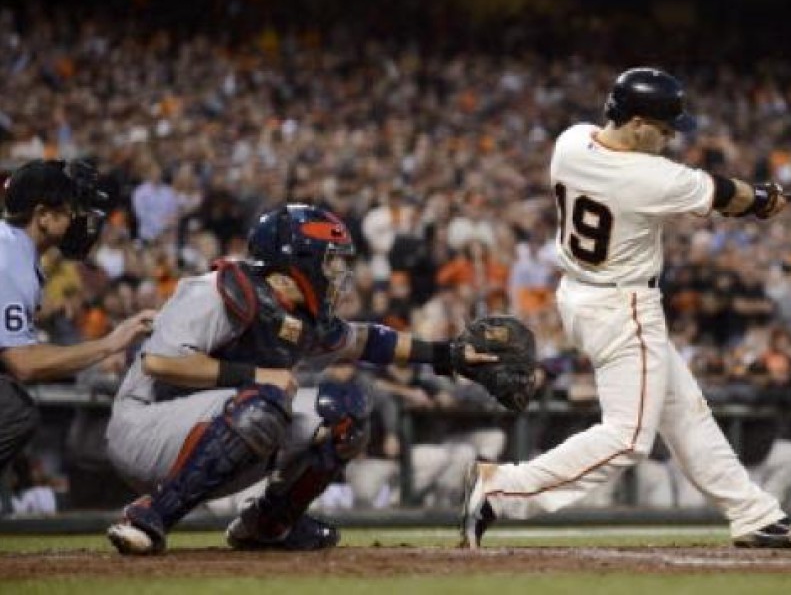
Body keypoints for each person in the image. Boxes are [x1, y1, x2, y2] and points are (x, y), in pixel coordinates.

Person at [460, 67, 791, 549]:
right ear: (636, 123)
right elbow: (726, 194)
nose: (672, 137)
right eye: (664, 128)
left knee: (684, 411)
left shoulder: (570, 142)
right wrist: (762, 199)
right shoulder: (649, 176)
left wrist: (755, 199)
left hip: (581, 293)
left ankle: (753, 514)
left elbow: (716, 192)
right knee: (629, 436)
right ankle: (501, 487)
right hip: (622, 304)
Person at [105, 203, 499, 555]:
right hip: (142, 427)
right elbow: (159, 362)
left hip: (213, 427)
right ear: (299, 261)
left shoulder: (295, 314)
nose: (339, 273)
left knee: (346, 410)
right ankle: (151, 515)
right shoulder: (218, 290)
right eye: (332, 262)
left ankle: (269, 523)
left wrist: (447, 354)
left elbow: (367, 341)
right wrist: (257, 375)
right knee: (267, 398)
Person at [0, 159, 155, 475]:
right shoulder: (10, 260)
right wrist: (110, 343)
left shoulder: (14, 250)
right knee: (13, 409)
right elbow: (24, 363)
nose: (79, 218)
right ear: (43, 216)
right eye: (72, 207)